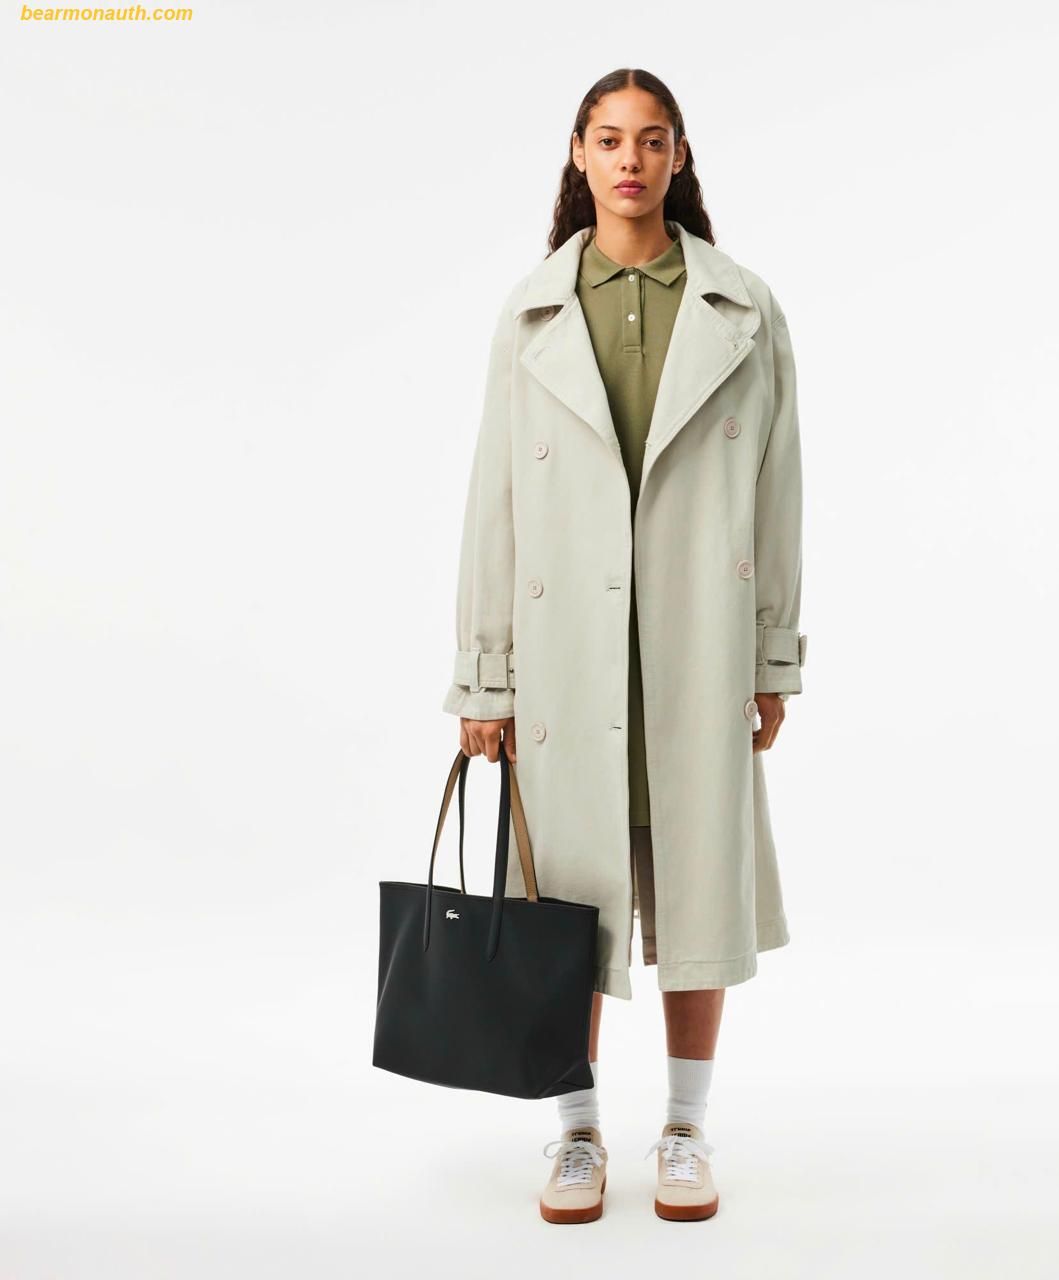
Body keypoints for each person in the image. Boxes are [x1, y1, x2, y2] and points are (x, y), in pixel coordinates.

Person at [444, 67, 807, 1224]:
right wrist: (485, 673)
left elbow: (777, 490)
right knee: (567, 905)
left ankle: (686, 1127)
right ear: (578, 153)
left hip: (697, 640)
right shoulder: (533, 310)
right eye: (609, 139)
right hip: (564, 648)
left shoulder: (741, 306)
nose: (630, 161)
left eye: (651, 140)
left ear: (679, 155)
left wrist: (771, 657)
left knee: (697, 891)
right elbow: (494, 499)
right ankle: (575, 1132)